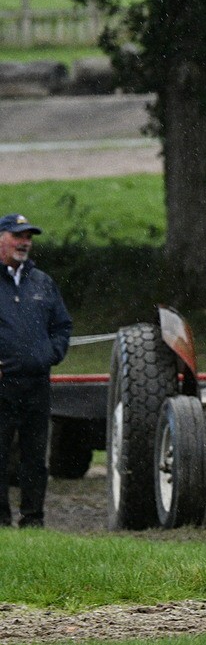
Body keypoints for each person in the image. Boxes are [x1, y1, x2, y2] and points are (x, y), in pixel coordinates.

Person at [0, 214, 72, 528]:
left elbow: (62, 325)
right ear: (1, 238)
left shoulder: (42, 282)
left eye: (28, 237)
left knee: (34, 457)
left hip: (36, 384)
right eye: (18, 236)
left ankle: (33, 519)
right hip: (3, 384)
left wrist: (49, 354)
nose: (24, 243)